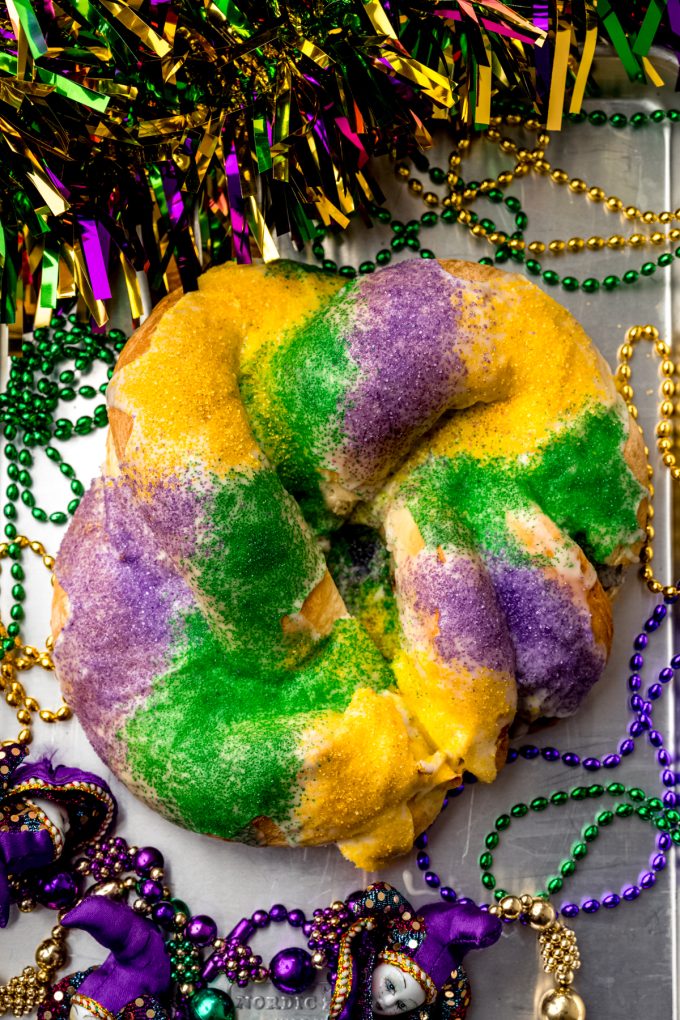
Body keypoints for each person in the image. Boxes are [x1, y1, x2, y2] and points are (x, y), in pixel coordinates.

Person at [330, 883, 502, 1019]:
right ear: (380, 961)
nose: (387, 1002)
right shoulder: (356, 952)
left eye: (402, 1005)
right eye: (390, 984)